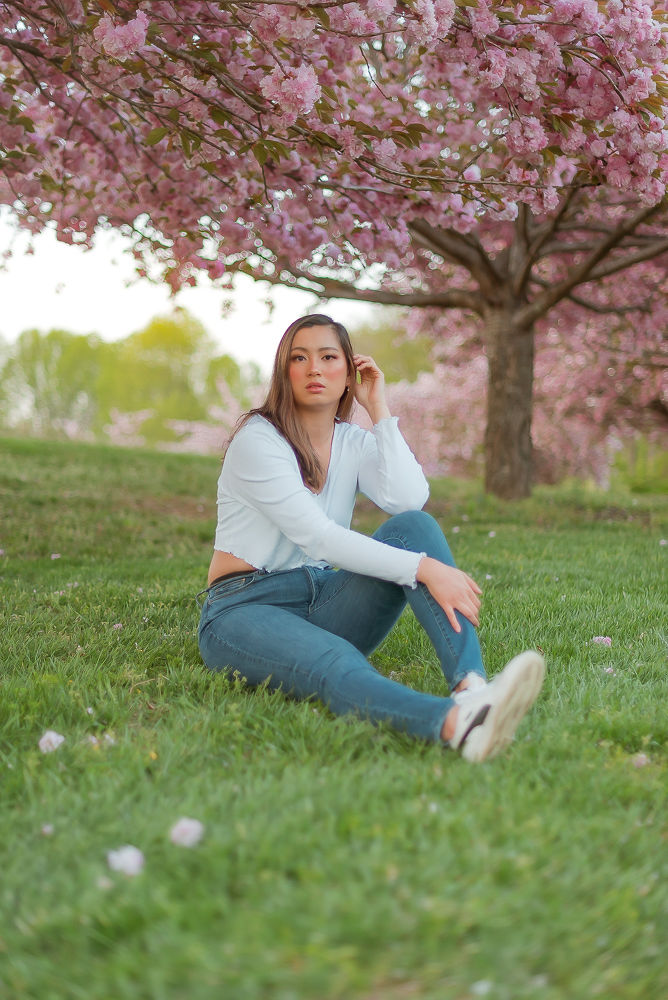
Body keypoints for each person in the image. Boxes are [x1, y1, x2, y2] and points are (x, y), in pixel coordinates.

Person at [198, 314, 545, 762]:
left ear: (349, 373)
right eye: (299, 358)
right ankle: (459, 725)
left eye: (328, 357)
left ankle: (472, 689)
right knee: (335, 665)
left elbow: (408, 498)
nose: (314, 369)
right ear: (284, 372)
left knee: (415, 530)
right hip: (244, 608)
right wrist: (422, 568)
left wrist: (379, 410)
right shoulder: (259, 439)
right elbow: (318, 537)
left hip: (321, 596)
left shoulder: (352, 441)